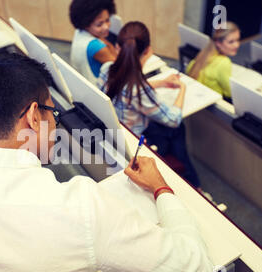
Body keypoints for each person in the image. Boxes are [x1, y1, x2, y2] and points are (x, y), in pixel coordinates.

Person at [0, 51, 215, 272]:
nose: (55, 126)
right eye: (53, 114)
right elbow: (197, 269)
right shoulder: (79, 208)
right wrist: (161, 189)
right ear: (32, 116)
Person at [98, 21, 201, 188]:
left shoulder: (107, 69)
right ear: (148, 51)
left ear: (117, 47)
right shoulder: (139, 90)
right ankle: (192, 182)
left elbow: (124, 88)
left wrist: (160, 83)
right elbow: (173, 118)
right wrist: (182, 88)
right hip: (137, 142)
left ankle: (187, 178)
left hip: (117, 132)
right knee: (177, 128)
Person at [187, 22, 241, 100]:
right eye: (231, 42)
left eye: (238, 40)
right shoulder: (224, 62)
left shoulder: (202, 55)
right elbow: (229, 93)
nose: (236, 45)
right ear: (218, 43)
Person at [69, 0, 118, 84]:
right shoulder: (96, 47)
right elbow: (121, 68)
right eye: (99, 24)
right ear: (86, 25)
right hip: (98, 89)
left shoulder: (79, 32)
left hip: (82, 82)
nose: (106, 27)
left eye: (107, 20)